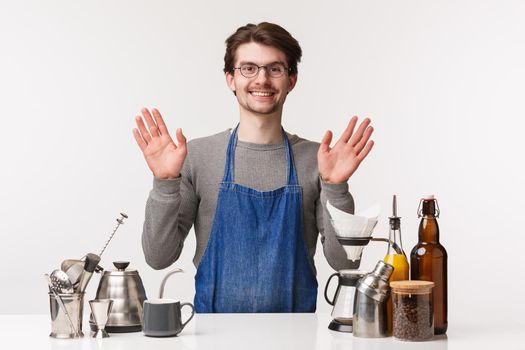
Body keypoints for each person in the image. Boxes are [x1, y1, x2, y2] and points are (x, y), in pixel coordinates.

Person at [133, 22, 374, 313]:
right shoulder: (196, 156)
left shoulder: (318, 159)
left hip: (295, 338)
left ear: (291, 79)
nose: (262, 79)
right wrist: (164, 182)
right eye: (248, 68)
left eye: (275, 69)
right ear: (230, 79)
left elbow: (345, 262)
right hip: (214, 337)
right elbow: (159, 257)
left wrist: (335, 188)